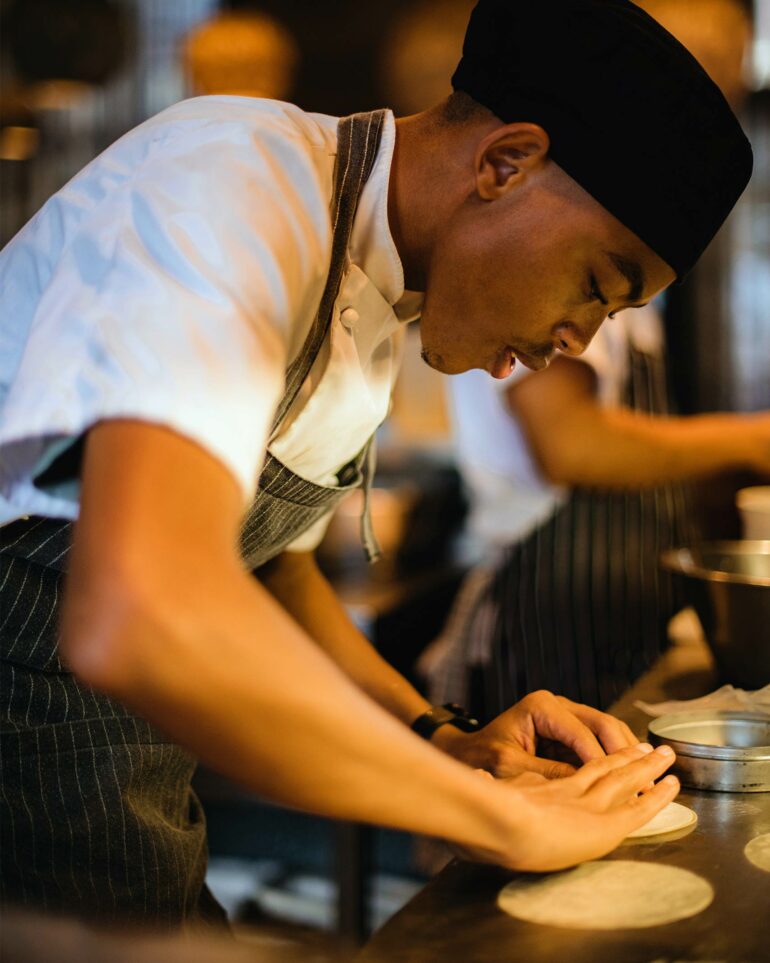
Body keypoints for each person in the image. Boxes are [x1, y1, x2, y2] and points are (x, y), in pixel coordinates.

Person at [0, 0, 752, 927]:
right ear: (506, 162)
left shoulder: (381, 306)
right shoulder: (229, 184)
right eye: (598, 284)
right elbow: (134, 618)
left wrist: (448, 741)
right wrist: (498, 819)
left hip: (116, 798)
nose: (578, 337)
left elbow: (273, 570)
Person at [422, 0, 769, 722]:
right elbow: (570, 444)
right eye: (709, 75)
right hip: (538, 616)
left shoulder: (607, 251)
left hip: (607, 628)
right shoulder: (553, 248)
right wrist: (751, 440)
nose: (723, 96)